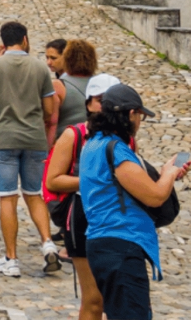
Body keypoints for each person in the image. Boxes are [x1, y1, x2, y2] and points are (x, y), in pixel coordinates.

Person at [80, 83, 188, 320]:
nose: (140, 123)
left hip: (101, 242)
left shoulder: (92, 144)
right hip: (121, 244)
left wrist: (163, 174)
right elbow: (155, 196)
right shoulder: (116, 150)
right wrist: (169, 173)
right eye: (140, 116)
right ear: (131, 114)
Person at [0, 20, 61, 278]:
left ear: (4, 41)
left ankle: (11, 259)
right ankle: (47, 243)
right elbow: (48, 109)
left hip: (3, 139)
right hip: (34, 139)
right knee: (34, 194)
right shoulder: (39, 67)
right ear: (25, 40)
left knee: (8, 197)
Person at [44, 72, 123, 320]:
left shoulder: (126, 138)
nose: (105, 107)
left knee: (113, 295)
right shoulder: (73, 135)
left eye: (111, 101)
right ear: (89, 103)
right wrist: (94, 182)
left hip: (116, 218)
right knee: (94, 299)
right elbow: (53, 180)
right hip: (82, 217)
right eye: (100, 100)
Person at [53, 39, 98, 133]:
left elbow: (51, 122)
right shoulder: (99, 84)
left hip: (65, 140)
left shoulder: (59, 86)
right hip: (92, 141)